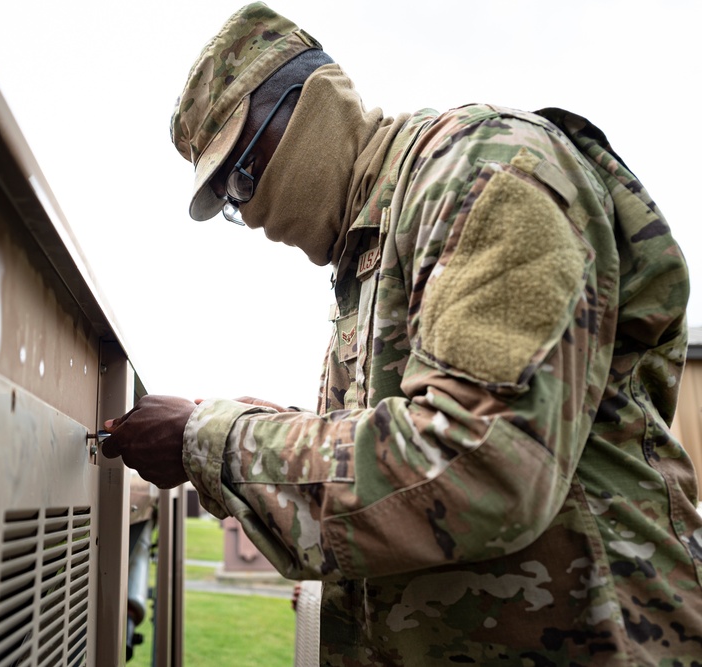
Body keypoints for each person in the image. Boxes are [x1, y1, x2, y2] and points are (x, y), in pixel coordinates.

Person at [101, 2, 702, 664]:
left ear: (313, 102)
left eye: (243, 171)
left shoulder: (486, 170)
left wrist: (206, 438)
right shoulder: (368, 256)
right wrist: (249, 426)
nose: (251, 208)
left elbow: (478, 463)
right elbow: (390, 455)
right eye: (231, 204)